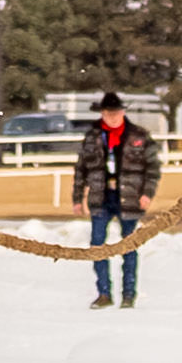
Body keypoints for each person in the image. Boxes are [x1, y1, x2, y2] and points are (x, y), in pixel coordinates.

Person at [70, 92, 160, 309]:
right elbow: (81, 169)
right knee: (97, 246)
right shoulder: (92, 137)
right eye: (109, 113)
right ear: (102, 113)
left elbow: (153, 169)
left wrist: (146, 193)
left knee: (129, 246)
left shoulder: (139, 135)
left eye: (116, 112)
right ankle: (104, 293)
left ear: (123, 112)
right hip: (101, 198)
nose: (113, 116)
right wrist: (77, 197)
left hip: (129, 199)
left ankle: (129, 294)